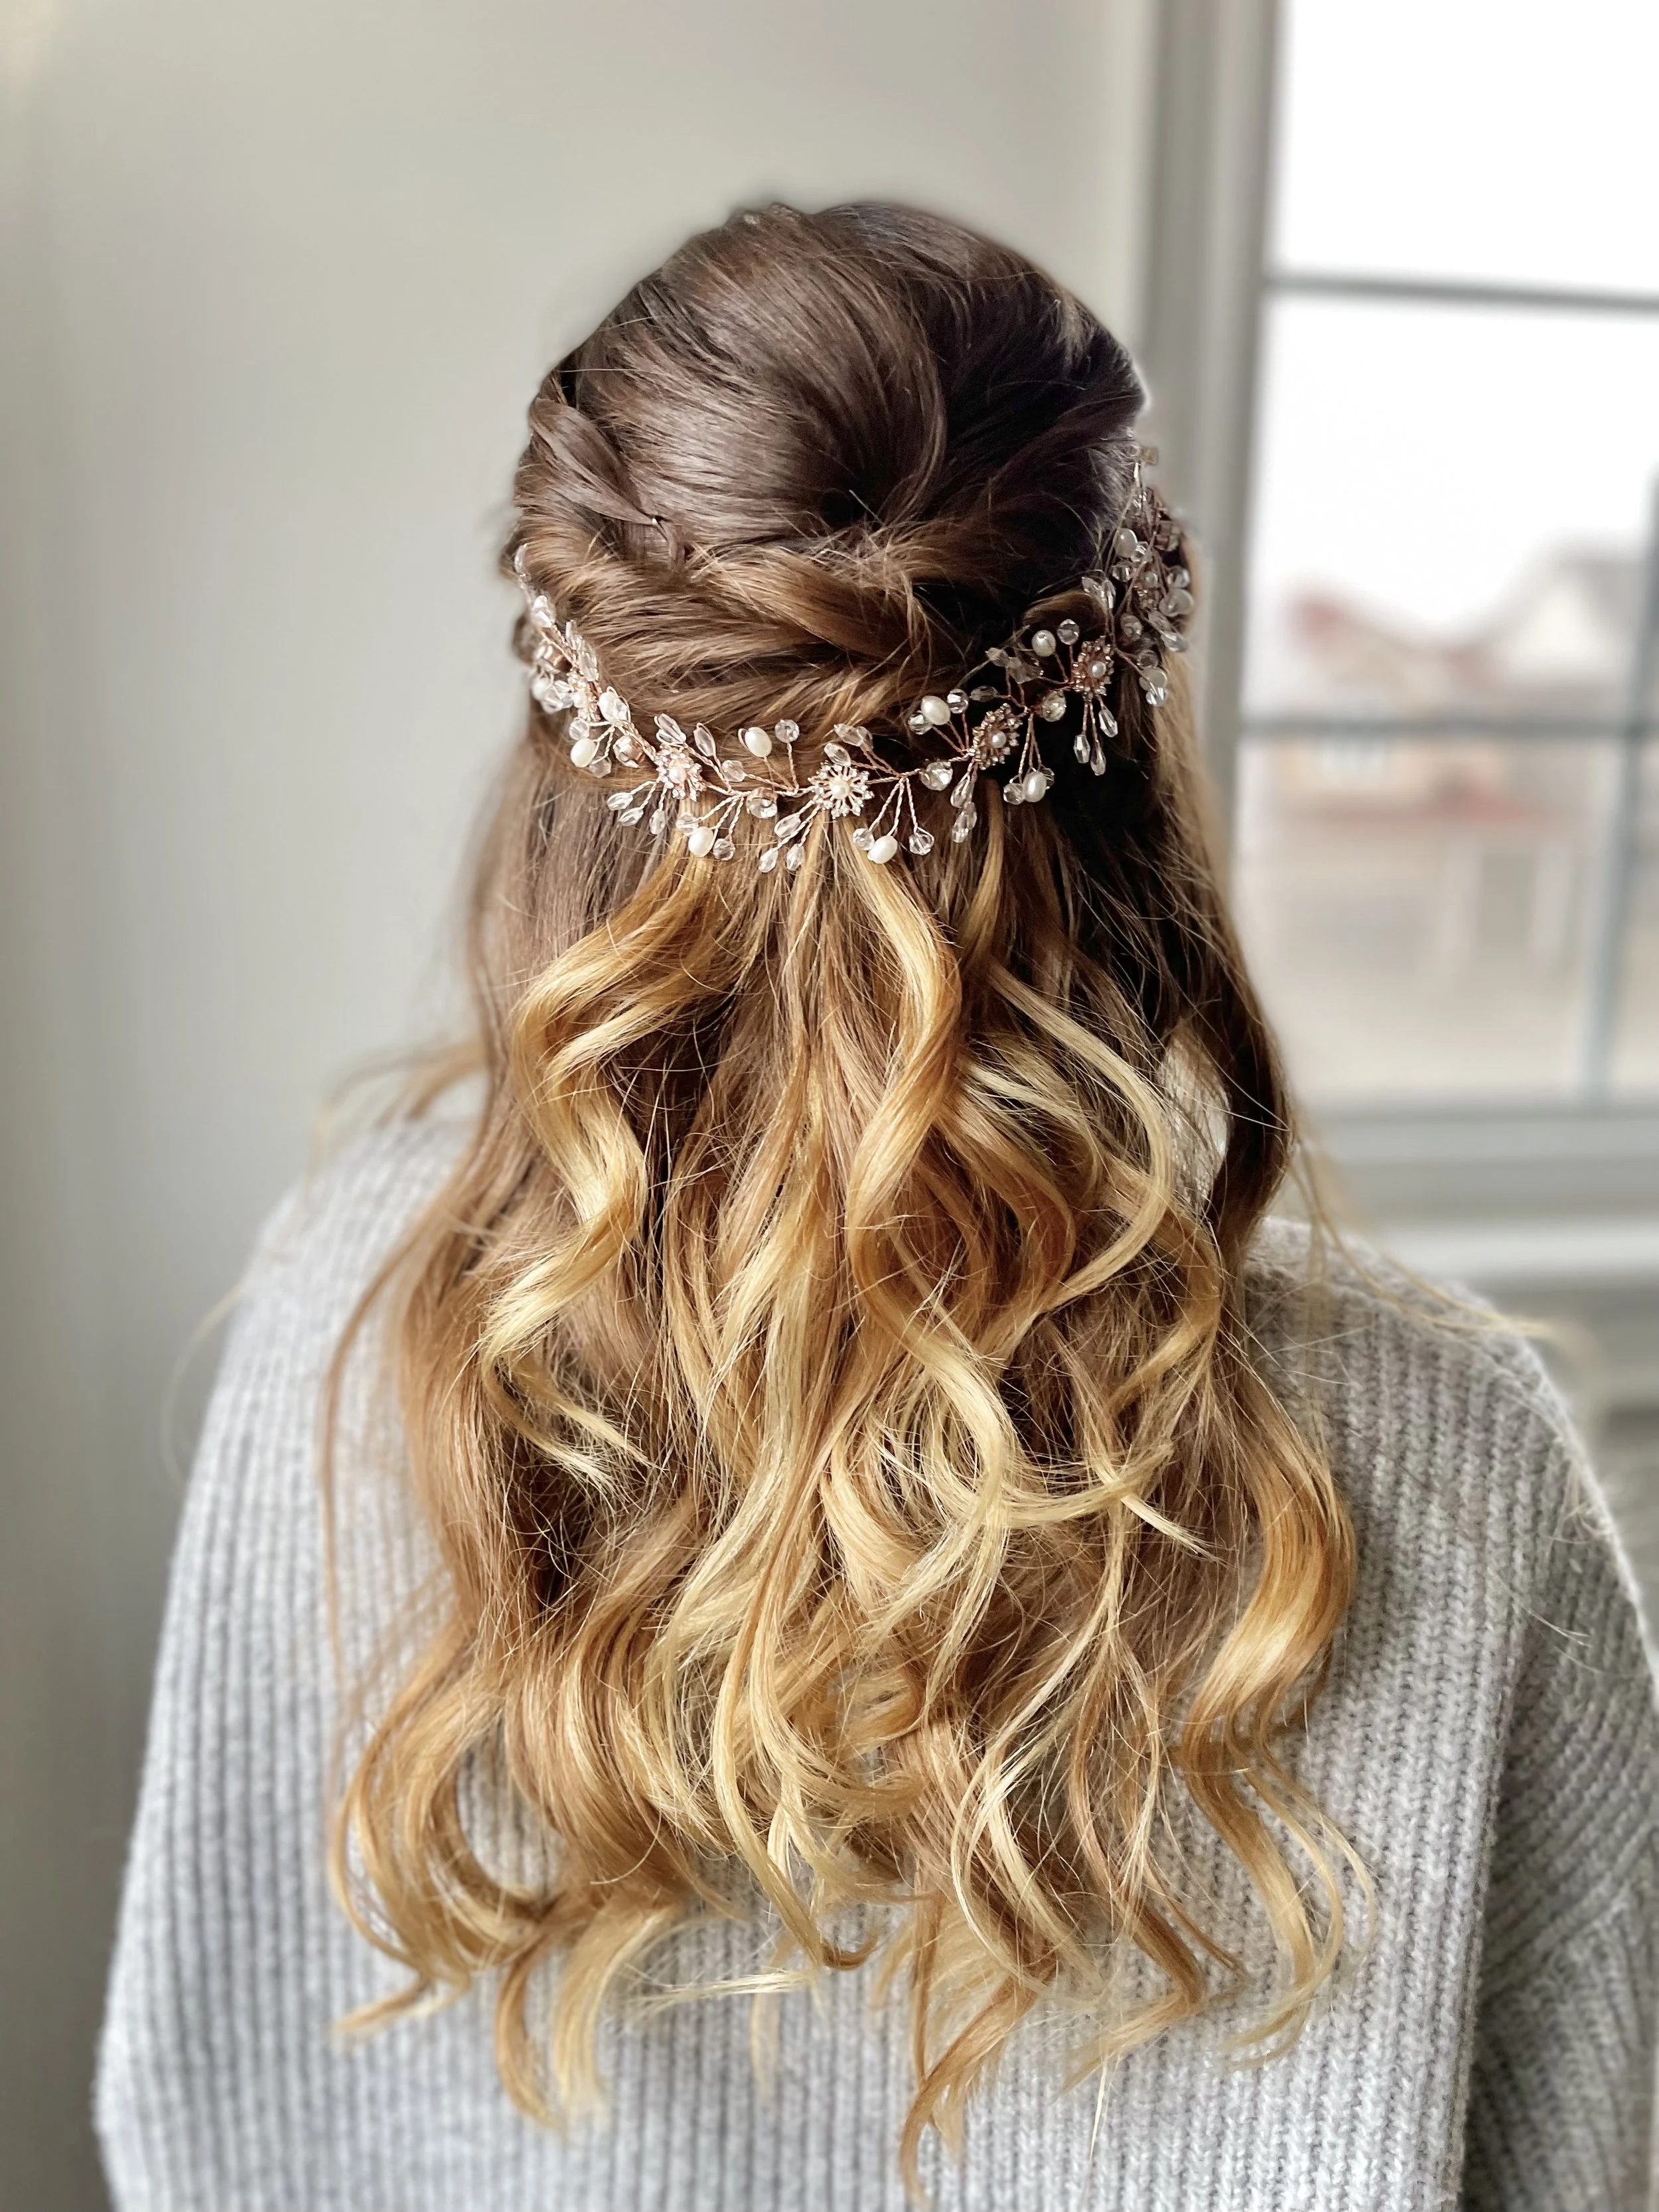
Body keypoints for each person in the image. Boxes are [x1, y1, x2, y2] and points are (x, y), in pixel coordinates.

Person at [96, 203, 1658, 2211]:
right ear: (1125, 736)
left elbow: (201, 2113)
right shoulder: (1446, 1465)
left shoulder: (357, 1292)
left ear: (572, 742)